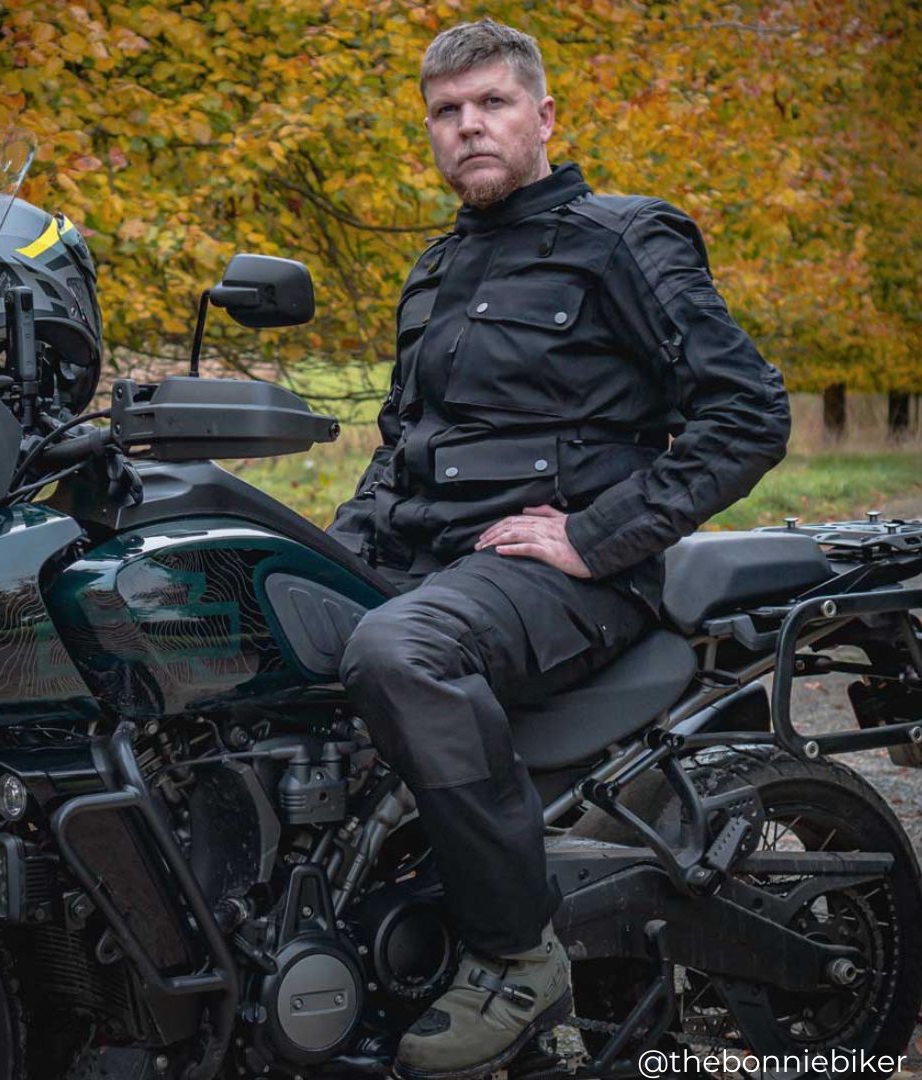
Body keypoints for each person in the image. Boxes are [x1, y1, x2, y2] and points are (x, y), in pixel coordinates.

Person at [326, 17, 791, 1079]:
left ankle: (513, 955)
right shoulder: (439, 264)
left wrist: (594, 536)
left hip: (561, 577)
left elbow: (746, 413)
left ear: (544, 116)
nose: (468, 125)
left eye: (491, 103)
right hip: (432, 565)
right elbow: (403, 448)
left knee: (403, 654)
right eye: (446, 112)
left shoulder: (623, 237)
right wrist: (326, 558)